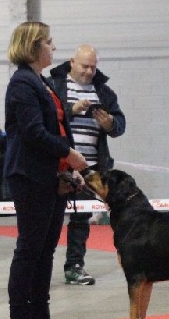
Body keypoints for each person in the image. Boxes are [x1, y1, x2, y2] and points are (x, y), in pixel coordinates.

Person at [3, 21, 88, 319]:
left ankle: (41, 318)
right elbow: (34, 132)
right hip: (29, 175)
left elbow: (58, 127)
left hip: (50, 175)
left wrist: (67, 167)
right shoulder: (21, 83)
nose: (54, 47)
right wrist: (70, 154)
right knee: (29, 249)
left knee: (46, 250)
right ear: (33, 46)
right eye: (49, 42)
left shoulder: (43, 82)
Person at [49, 44, 127, 285]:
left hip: (90, 167)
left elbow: (120, 125)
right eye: (85, 66)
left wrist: (110, 123)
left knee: (81, 219)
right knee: (49, 218)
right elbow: (45, 119)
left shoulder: (103, 92)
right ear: (72, 62)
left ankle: (75, 266)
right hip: (58, 166)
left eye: (93, 67)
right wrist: (70, 110)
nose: (89, 71)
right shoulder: (53, 85)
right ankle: (40, 265)